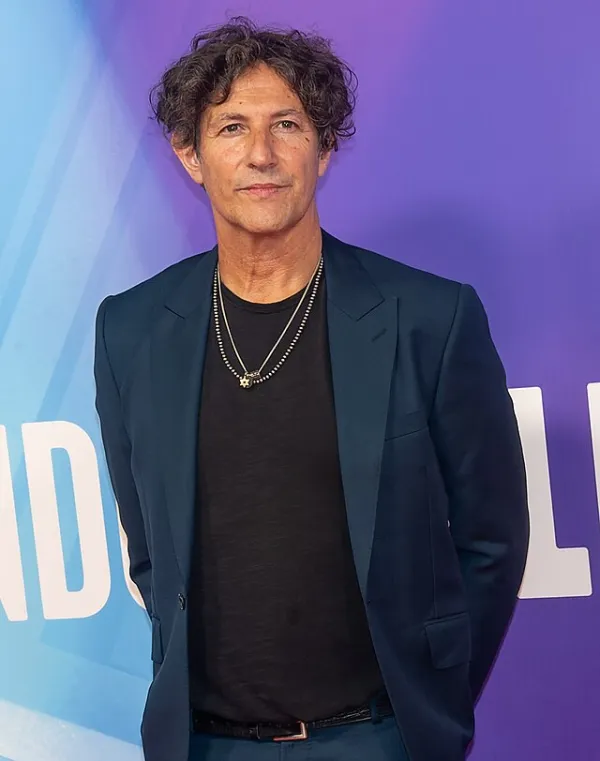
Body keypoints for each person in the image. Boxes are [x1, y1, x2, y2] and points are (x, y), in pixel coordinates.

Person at [93, 16, 530, 761]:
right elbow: (150, 553)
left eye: (287, 125)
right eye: (231, 127)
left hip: (378, 738)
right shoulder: (131, 329)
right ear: (190, 155)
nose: (261, 154)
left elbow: (492, 538)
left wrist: (430, 704)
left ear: (324, 149)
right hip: (203, 744)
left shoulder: (429, 317)